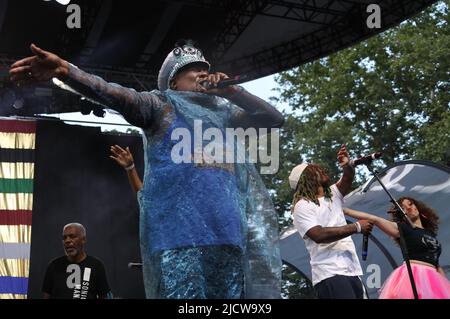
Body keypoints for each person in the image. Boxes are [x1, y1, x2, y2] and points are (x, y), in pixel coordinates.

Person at [10, 40, 284, 298]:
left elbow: (274, 119)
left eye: (205, 69)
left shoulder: (225, 115)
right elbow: (112, 93)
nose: (202, 74)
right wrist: (66, 71)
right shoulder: (160, 106)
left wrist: (233, 91)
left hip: (228, 240)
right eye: (192, 70)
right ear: (173, 81)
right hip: (179, 243)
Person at [289, 144, 374, 299]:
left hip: (352, 270)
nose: (321, 170)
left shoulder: (333, 195)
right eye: (315, 170)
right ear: (306, 178)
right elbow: (319, 235)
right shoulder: (302, 206)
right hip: (329, 273)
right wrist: (356, 227)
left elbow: (347, 178)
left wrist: (347, 165)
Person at [344, 197, 450, 299]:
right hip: (414, 275)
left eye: (410, 204)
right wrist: (345, 211)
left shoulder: (429, 233)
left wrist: (444, 283)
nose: (409, 208)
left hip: (433, 278)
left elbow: (436, 262)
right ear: (402, 214)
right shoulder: (403, 228)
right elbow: (374, 219)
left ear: (417, 206)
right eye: (403, 208)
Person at [42, 223, 112, 299]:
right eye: (64, 238)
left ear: (83, 239)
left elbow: (104, 296)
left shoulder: (96, 265)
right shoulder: (54, 265)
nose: (67, 240)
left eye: (72, 236)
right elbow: (46, 296)